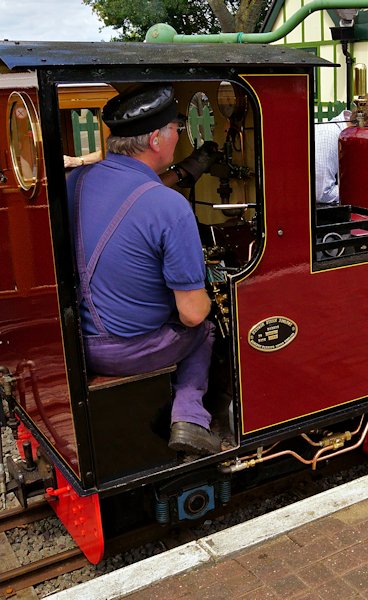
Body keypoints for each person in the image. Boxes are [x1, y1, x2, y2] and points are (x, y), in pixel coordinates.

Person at [67, 84, 220, 456]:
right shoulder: (170, 208)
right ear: (156, 139)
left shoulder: (76, 182)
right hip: (128, 350)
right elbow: (191, 313)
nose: (177, 138)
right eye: (176, 131)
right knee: (206, 327)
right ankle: (190, 417)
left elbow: (130, 195)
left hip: (74, 343)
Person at [313, 94, 368, 205]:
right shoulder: (328, 135)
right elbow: (322, 193)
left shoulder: (350, 136)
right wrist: (364, 190)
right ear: (367, 124)